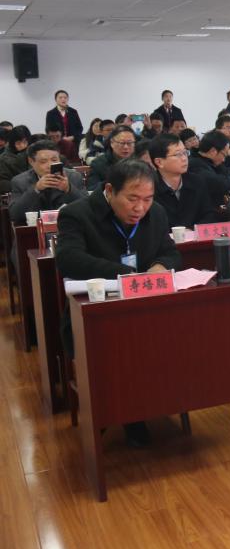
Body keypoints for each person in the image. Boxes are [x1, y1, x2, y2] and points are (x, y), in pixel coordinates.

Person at [55, 158, 181, 447]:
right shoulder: (77, 214)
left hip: (144, 310)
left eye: (148, 199)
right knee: (114, 354)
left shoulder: (156, 213)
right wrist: (126, 274)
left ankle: (139, 409)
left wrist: (161, 266)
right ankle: (113, 413)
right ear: (110, 190)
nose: (140, 208)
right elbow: (68, 258)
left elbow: (171, 252)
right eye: (132, 199)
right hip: (95, 313)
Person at [9, 140, 86, 224]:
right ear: (31, 161)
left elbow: (88, 208)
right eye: (43, 162)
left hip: (69, 226)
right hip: (35, 229)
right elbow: (15, 215)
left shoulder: (73, 177)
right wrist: (36, 189)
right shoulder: (20, 181)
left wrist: (68, 189)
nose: (50, 165)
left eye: (54, 160)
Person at [149, 134, 216, 228]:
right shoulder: (149, 188)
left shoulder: (196, 182)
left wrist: (193, 231)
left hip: (194, 236)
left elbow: (209, 214)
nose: (184, 158)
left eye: (185, 153)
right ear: (159, 162)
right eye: (178, 155)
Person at [189, 131, 230, 207]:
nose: (224, 160)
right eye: (224, 155)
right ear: (213, 151)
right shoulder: (194, 164)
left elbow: (225, 170)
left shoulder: (210, 161)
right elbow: (217, 182)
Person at [88, 125, 136, 191]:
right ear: (112, 143)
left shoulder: (139, 162)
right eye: (122, 143)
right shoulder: (98, 163)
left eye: (129, 143)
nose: (126, 147)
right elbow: (92, 189)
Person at [0, 125, 31, 193]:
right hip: (14, 192)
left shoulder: (33, 154)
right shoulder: (4, 159)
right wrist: (21, 185)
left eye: (25, 142)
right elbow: (2, 182)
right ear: (12, 143)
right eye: (18, 143)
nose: (22, 146)